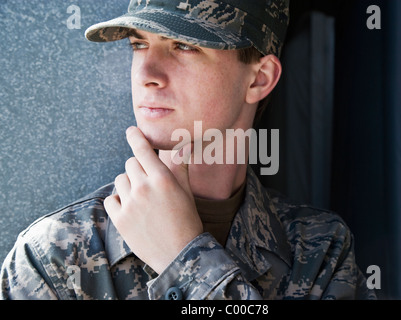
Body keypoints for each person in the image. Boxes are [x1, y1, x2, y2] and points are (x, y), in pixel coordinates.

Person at [0, 0, 376, 300]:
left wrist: (182, 257)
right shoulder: (55, 255)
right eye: (139, 44)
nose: (147, 72)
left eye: (184, 46)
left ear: (259, 79)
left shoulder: (320, 250)